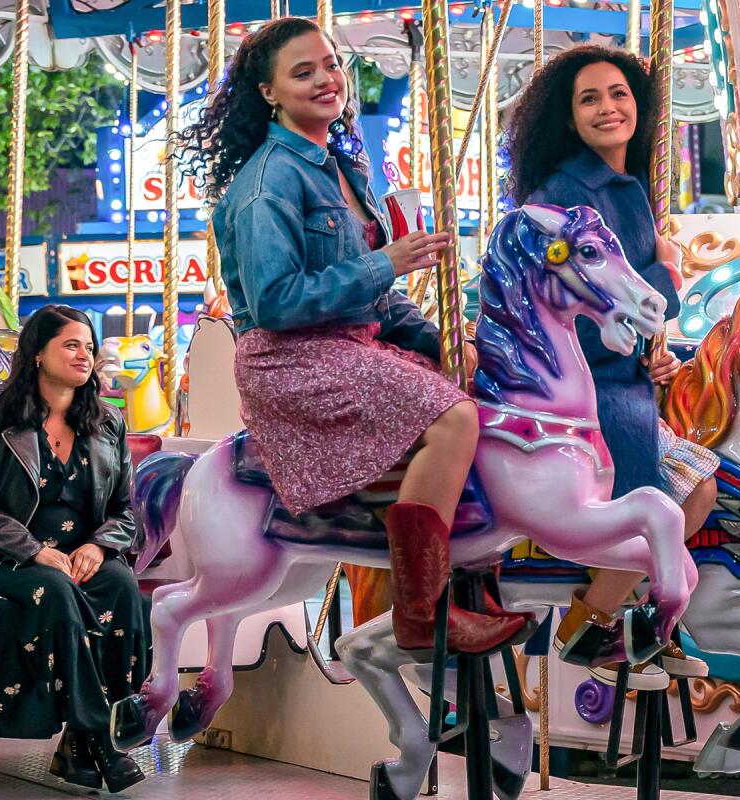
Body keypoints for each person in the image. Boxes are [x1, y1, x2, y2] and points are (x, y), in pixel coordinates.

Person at [175, 17, 530, 656]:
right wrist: (386, 261)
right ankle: (421, 613)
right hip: (292, 357)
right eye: (303, 71)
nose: (326, 80)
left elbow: (376, 297)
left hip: (348, 345)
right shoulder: (268, 182)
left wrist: (438, 338)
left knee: (484, 390)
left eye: (331, 65)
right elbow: (277, 301)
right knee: (452, 419)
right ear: (270, 92)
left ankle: (474, 572)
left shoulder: (342, 166)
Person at [506, 45, 719, 690]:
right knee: (674, 497)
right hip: (586, 384)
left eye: (619, 94)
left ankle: (629, 618)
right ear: (568, 118)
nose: (609, 107)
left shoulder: (625, 187)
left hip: (621, 372)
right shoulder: (569, 197)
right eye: (590, 98)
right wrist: (671, 274)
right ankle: (593, 620)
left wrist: (658, 352)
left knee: (701, 485)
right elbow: (605, 301)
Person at [0, 305, 146, 793]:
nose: (85, 355)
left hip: (79, 557)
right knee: (52, 589)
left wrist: (100, 547)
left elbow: (125, 510)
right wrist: (32, 550)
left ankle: (80, 742)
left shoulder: (108, 421)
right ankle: (99, 738)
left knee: (121, 584)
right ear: (37, 352)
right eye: (71, 345)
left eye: (90, 347)